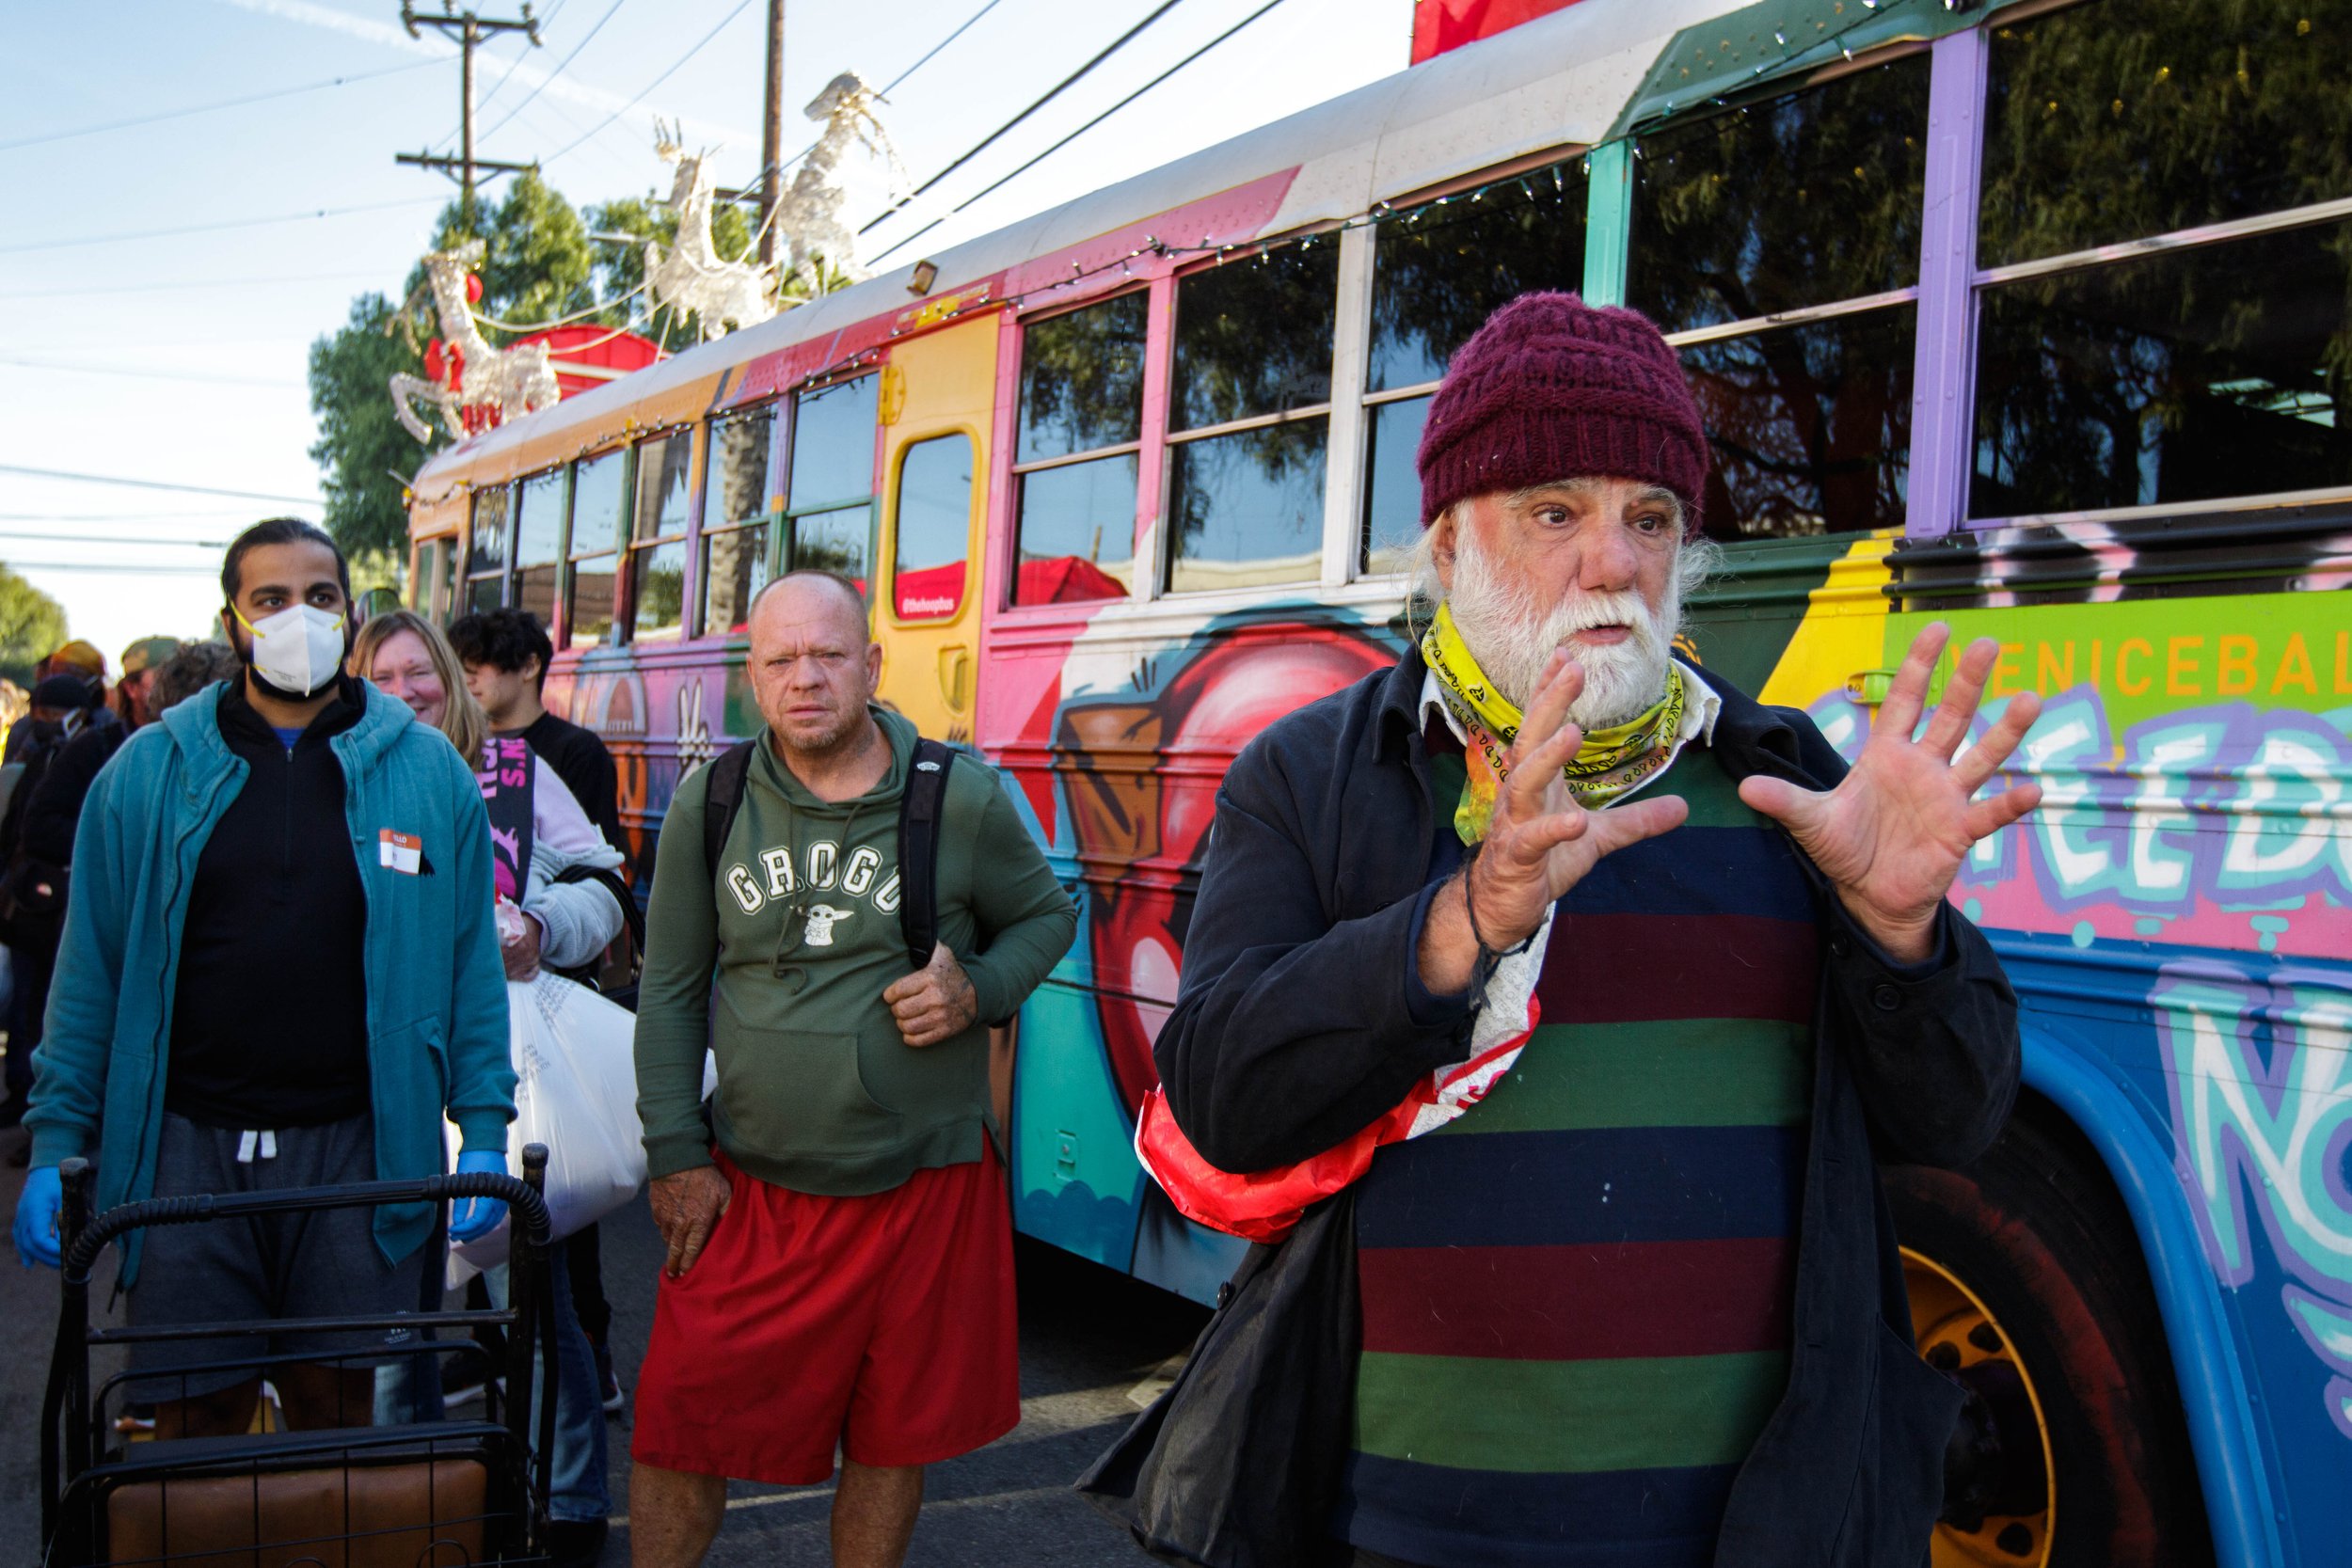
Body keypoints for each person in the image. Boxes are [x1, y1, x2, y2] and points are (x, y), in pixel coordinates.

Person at [1150, 293, 2044, 1568]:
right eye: (1556, 511)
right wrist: (1465, 922)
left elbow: (1955, 1119)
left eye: (1650, 517)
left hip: (1750, 1533)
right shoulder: (1314, 776)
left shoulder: (1791, 788)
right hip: (1398, 1530)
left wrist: (1903, 937)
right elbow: (1224, 1092)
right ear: (1451, 540)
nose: (1613, 562)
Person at [11, 517, 516, 1441]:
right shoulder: (147, 771)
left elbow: (469, 971)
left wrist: (483, 1130)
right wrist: (54, 1143)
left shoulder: (426, 770)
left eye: (319, 597)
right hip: (185, 1151)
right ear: (232, 619)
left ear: (350, 609)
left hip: (360, 1152)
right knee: (195, 1421)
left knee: (338, 1417)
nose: (298, 618)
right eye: (270, 599)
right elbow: (89, 978)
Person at [628, 570, 1077, 1568]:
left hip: (921, 1179)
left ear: (871, 665)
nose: (806, 678)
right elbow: (667, 990)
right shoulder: (713, 799)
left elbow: (1048, 915)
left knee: (889, 1437)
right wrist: (674, 1150)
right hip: (751, 1184)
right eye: (782, 658)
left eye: (828, 654)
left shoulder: (955, 796)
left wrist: (980, 989)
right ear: (753, 677)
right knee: (678, 1419)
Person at [353, 606, 627, 1567]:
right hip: (373, 1088)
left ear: (454, 680)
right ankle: (408, 1504)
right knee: (399, 1311)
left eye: (420, 670)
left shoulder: (513, 775)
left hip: (501, 1085)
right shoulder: (331, 781)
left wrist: (541, 923)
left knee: (535, 1303)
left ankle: (570, 1507)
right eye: (382, 674)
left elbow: (605, 880)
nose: (407, 689)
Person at [446, 604, 628, 1413]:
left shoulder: (564, 757)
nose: (467, 679)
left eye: (480, 664)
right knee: (473, 1220)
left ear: (525, 667)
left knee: (556, 1214)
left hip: (544, 1005)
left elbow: (601, 870)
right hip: (466, 1026)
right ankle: (498, 1361)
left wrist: (538, 924)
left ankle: (588, 1364)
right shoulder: (435, 756)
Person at [449, 607, 625, 854]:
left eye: (480, 664)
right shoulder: (454, 746)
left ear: (530, 666)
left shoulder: (579, 751)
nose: (467, 679)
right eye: (461, 667)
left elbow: (595, 858)